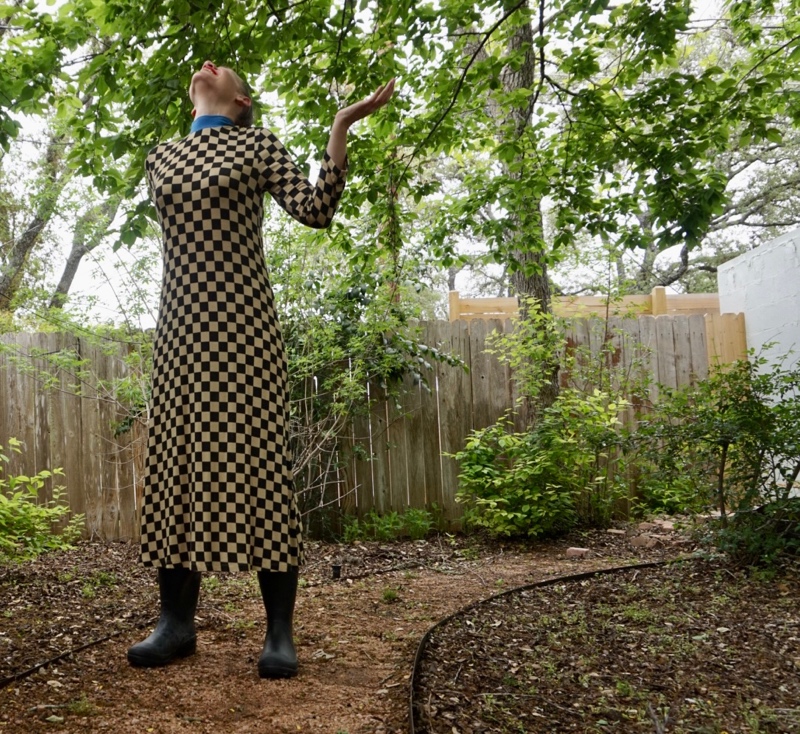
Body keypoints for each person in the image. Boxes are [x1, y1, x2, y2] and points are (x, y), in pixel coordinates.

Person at [127, 61, 394, 678]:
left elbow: (317, 209)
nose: (205, 65)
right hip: (178, 332)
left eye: (222, 68)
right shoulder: (161, 156)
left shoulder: (257, 144)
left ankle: (278, 632)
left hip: (245, 331)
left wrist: (340, 126)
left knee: (259, 464)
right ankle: (175, 624)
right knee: (177, 463)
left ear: (241, 98)